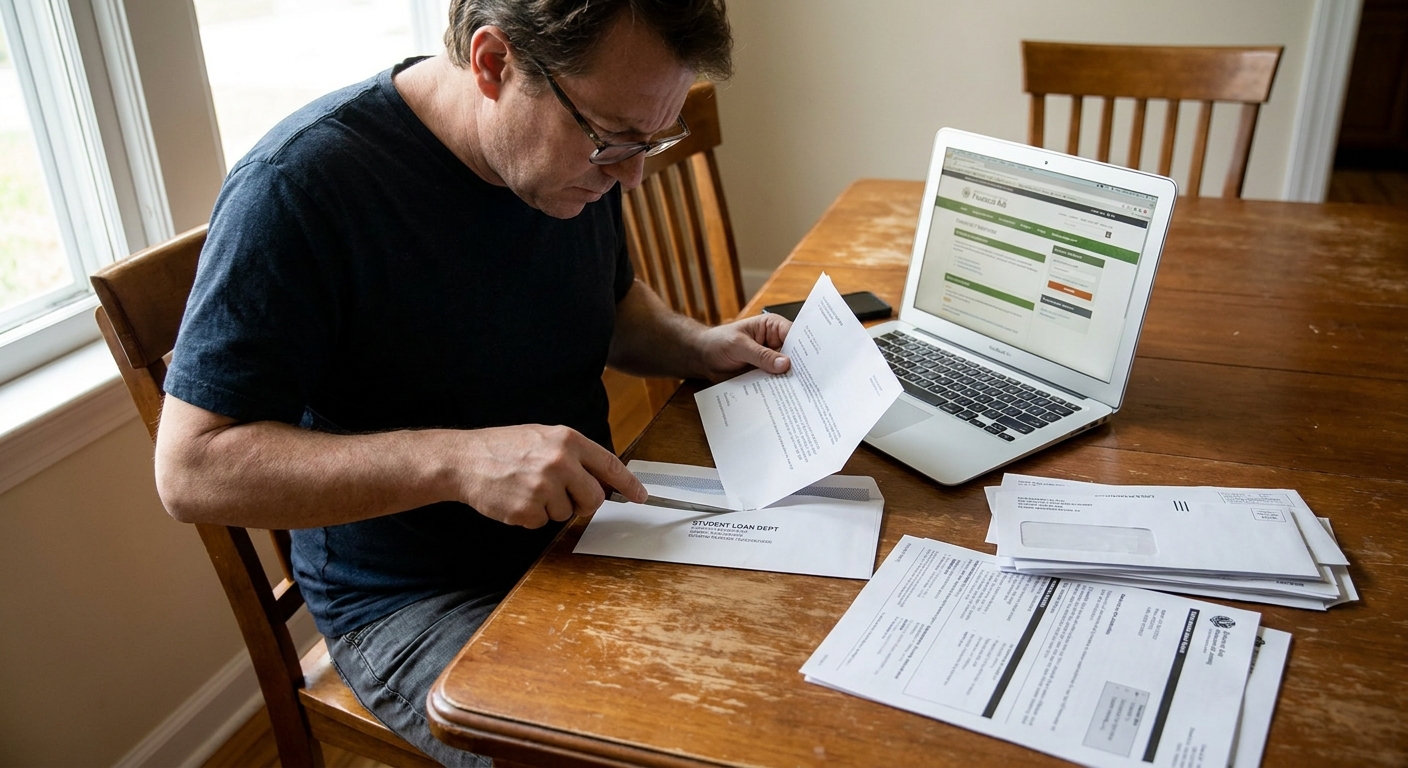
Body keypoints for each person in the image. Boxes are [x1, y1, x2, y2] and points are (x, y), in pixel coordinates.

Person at [153, 0, 789, 763]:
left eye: (649, 142)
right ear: (494, 63)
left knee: (783, 673)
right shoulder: (301, 187)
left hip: (589, 532)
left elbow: (612, 302)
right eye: (613, 140)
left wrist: (698, 345)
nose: (631, 177)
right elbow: (190, 469)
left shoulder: (570, 156)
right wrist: (457, 461)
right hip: (415, 596)